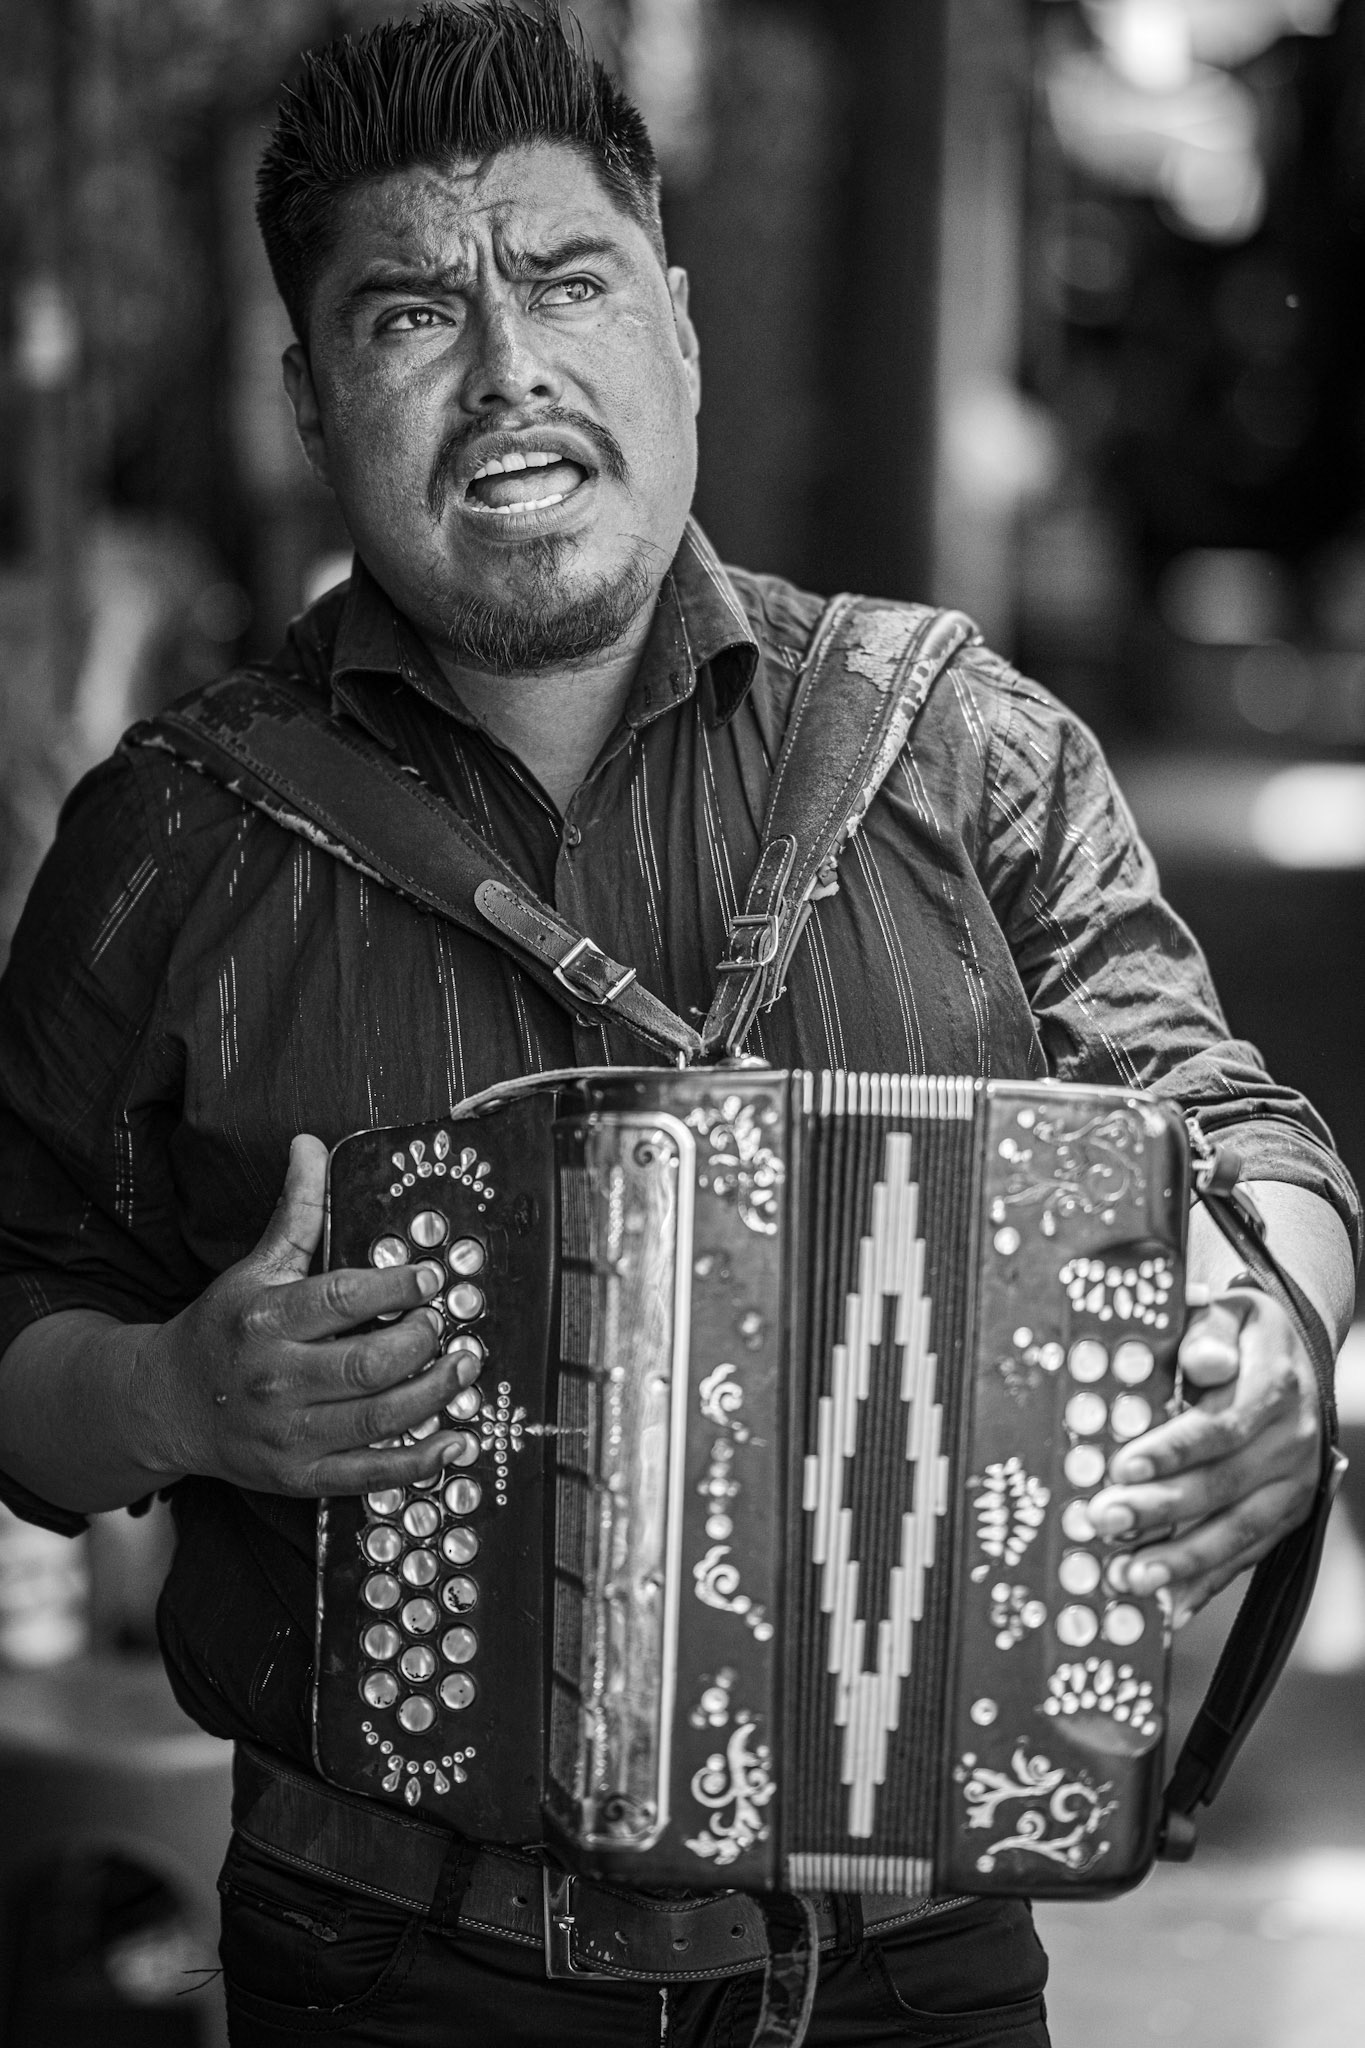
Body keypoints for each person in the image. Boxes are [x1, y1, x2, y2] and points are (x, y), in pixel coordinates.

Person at [0, 5, 1356, 2044]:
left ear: (680, 331)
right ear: (306, 399)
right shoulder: (176, 842)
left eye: (566, 282)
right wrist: (179, 1397)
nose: (506, 368)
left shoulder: (958, 756)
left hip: (916, 1969)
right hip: (391, 1978)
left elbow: (1239, 1136)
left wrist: (1274, 1327)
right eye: (404, 316)